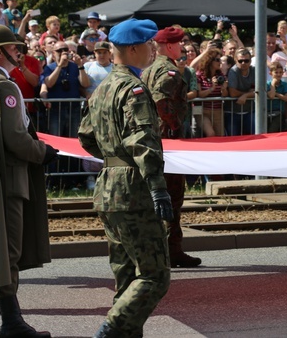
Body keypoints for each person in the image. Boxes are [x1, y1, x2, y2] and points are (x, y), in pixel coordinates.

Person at [78, 18, 173, 337]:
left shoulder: (102, 87)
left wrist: (113, 156)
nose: (153, 50)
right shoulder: (133, 87)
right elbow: (142, 139)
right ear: (133, 49)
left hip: (109, 188)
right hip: (134, 190)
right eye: (149, 44)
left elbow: (86, 137)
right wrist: (159, 190)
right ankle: (109, 331)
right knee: (153, 276)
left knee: (126, 278)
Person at [0, 25, 58, 337]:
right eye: (13, 48)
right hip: (10, 178)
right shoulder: (4, 87)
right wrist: (44, 153)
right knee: (7, 251)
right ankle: (11, 323)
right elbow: (16, 138)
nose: (18, 53)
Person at [141, 26, 200, 269]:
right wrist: (174, 126)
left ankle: (166, 249)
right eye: (180, 43)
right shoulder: (169, 72)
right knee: (172, 197)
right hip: (167, 143)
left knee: (159, 196)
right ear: (169, 46)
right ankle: (169, 251)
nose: (184, 47)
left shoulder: (149, 70)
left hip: (155, 141)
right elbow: (161, 102)